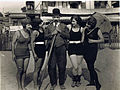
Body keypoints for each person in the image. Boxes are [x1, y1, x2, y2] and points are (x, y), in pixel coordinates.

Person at [44, 8, 70, 90]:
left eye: (58, 17)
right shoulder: (48, 26)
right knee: (51, 66)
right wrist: (52, 33)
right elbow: (44, 36)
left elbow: (68, 36)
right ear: (52, 17)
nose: (56, 18)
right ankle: (53, 83)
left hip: (61, 48)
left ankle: (61, 83)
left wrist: (60, 32)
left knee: (62, 66)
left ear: (60, 17)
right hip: (51, 49)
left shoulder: (64, 26)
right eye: (54, 17)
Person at [83, 16, 104, 90]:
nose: (86, 25)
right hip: (85, 50)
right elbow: (82, 40)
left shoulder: (97, 30)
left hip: (93, 50)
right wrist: (83, 31)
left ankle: (98, 83)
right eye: (86, 23)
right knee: (89, 66)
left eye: (88, 24)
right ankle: (92, 81)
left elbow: (102, 40)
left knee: (91, 67)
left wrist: (93, 41)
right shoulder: (85, 30)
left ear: (92, 24)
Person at [12, 19, 32, 90]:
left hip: (27, 53)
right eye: (28, 25)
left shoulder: (29, 32)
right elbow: (13, 43)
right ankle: (19, 86)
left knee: (24, 70)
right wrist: (13, 54)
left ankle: (23, 85)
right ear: (24, 25)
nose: (30, 26)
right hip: (19, 53)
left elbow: (30, 43)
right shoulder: (18, 33)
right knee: (20, 70)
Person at [67, 15, 84, 87]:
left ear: (77, 21)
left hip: (79, 47)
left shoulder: (82, 29)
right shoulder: (69, 27)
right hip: (71, 47)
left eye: (74, 21)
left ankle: (78, 80)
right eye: (72, 21)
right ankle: (74, 80)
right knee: (75, 66)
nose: (72, 22)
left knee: (79, 65)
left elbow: (82, 40)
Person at [30, 20, 46, 89]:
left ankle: (37, 81)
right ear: (38, 24)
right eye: (41, 23)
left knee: (40, 67)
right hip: (38, 50)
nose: (43, 24)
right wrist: (34, 54)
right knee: (37, 68)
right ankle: (35, 85)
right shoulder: (35, 32)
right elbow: (31, 43)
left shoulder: (43, 30)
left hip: (43, 49)